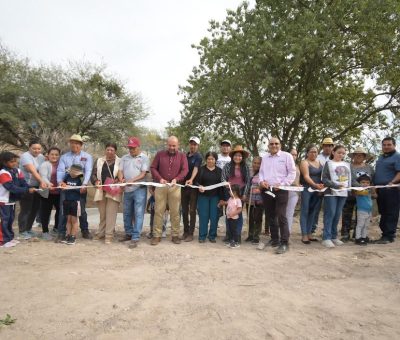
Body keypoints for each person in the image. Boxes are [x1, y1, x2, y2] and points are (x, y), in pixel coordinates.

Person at [258, 137, 296, 254]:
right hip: (267, 190)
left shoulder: (287, 156)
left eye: (276, 143)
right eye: (271, 144)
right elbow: (261, 173)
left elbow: (292, 172)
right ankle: (274, 239)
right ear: (268, 146)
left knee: (281, 215)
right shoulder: (265, 158)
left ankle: (284, 242)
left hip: (281, 190)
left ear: (280, 144)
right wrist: (261, 181)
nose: (274, 145)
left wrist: (283, 184)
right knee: (270, 215)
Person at [150, 136, 188, 245]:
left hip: (175, 187)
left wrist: (177, 179)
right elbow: (153, 168)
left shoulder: (182, 156)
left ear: (178, 145)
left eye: (174, 145)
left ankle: (175, 235)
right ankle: (156, 235)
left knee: (175, 212)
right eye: (170, 145)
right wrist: (159, 178)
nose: (172, 147)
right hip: (161, 186)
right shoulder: (160, 154)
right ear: (167, 144)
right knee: (158, 211)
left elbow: (185, 170)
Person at [55, 134, 93, 242]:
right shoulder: (64, 157)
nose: (74, 145)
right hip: (66, 188)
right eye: (72, 142)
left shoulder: (87, 157)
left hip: (80, 188)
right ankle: (62, 233)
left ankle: (85, 231)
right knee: (64, 210)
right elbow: (61, 170)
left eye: (76, 143)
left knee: (81, 210)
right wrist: (60, 182)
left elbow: (88, 171)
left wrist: (84, 184)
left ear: (81, 145)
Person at [119, 137, 149, 248]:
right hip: (127, 189)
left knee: (138, 212)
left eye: (133, 148)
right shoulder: (124, 158)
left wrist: (133, 180)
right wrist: (121, 179)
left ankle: (135, 237)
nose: (131, 150)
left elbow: (143, 173)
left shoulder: (144, 158)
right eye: (130, 148)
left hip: (139, 189)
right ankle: (128, 233)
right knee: (126, 212)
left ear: (138, 147)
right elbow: (120, 171)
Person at [0, 152, 34, 247]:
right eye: (12, 162)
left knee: (10, 219)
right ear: (4, 162)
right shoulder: (3, 173)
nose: (14, 163)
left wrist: (29, 188)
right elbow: (11, 187)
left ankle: (9, 238)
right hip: (3, 200)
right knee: (4, 220)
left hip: (12, 200)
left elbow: (23, 182)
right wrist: (27, 190)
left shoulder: (17, 171)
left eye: (15, 161)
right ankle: (2, 241)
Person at [341, 147, 375, 241]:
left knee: (360, 216)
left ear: (364, 157)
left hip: (364, 196)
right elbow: (347, 179)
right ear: (353, 156)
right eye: (356, 155)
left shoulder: (369, 168)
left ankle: (358, 235)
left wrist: (373, 192)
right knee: (347, 214)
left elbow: (372, 181)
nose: (359, 156)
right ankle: (345, 234)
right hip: (350, 194)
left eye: (361, 155)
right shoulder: (348, 166)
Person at [91, 143, 122, 244]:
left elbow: (122, 174)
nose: (109, 152)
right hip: (101, 190)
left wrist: (117, 180)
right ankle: (101, 232)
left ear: (115, 151)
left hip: (113, 190)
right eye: (108, 149)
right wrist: (96, 181)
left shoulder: (120, 161)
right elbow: (93, 174)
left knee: (111, 214)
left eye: (112, 150)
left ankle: (109, 235)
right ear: (105, 150)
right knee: (102, 214)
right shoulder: (99, 161)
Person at [321, 145, 351, 248]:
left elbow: (351, 179)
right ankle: (326, 238)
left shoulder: (347, 164)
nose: (341, 155)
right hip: (331, 192)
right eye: (339, 152)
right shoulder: (328, 163)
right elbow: (324, 179)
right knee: (330, 214)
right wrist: (335, 185)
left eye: (343, 153)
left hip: (343, 193)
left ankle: (334, 236)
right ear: (333, 152)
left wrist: (360, 186)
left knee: (337, 214)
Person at [221, 145, 251, 243]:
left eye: (240, 156)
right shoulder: (227, 166)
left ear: (242, 157)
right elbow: (223, 179)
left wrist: (245, 194)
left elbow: (248, 182)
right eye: (236, 155)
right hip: (229, 191)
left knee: (238, 213)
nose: (238, 157)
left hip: (241, 192)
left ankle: (237, 235)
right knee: (229, 212)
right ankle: (229, 235)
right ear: (232, 156)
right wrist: (227, 187)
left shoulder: (245, 167)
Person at [18, 140, 46, 239]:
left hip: (37, 187)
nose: (36, 150)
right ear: (29, 147)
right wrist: (42, 181)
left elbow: (44, 169)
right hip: (26, 186)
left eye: (38, 148)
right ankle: (22, 231)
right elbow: (33, 171)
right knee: (26, 209)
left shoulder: (41, 157)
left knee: (35, 208)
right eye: (34, 148)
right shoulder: (25, 156)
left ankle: (28, 229)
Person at [373, 137, 400, 244]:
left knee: (391, 212)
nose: (386, 147)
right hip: (380, 190)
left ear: (394, 145)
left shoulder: (397, 157)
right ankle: (384, 234)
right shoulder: (380, 158)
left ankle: (389, 236)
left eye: (389, 144)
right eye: (384, 145)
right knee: (383, 212)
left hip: (391, 189)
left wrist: (392, 182)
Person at [196, 151, 224, 243]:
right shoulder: (201, 169)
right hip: (203, 197)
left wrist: (221, 199)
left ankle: (212, 235)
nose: (210, 160)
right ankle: (202, 236)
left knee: (214, 217)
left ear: (215, 160)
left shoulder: (220, 171)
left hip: (215, 197)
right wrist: (199, 186)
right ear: (206, 159)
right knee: (203, 216)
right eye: (208, 159)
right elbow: (196, 182)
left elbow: (222, 186)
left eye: (212, 159)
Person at [299, 144, 324, 244]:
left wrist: (321, 186)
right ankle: (304, 235)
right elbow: (306, 176)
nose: (314, 153)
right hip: (307, 189)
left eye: (315, 152)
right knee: (305, 211)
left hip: (317, 191)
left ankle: (309, 233)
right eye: (311, 151)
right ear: (307, 153)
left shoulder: (320, 162)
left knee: (313, 211)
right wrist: (315, 185)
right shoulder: (304, 162)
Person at [181, 136, 202, 242]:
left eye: (195, 144)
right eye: (191, 144)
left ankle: (191, 233)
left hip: (193, 187)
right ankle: (185, 231)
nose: (193, 146)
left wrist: (191, 179)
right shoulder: (184, 156)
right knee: (184, 210)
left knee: (192, 210)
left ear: (198, 146)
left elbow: (196, 168)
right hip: (183, 186)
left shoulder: (198, 156)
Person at [312, 137, 335, 234]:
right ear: (322, 146)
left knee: (330, 210)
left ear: (332, 147)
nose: (327, 148)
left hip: (332, 187)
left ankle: (326, 230)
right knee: (315, 209)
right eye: (325, 145)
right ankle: (312, 229)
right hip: (319, 186)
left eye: (330, 146)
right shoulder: (317, 157)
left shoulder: (336, 158)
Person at [38, 147, 61, 240]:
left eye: (56, 154)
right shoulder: (44, 164)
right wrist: (48, 183)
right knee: (45, 213)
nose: (54, 156)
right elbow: (43, 176)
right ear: (48, 155)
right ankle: (45, 231)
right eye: (52, 154)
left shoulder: (61, 165)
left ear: (59, 156)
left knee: (60, 212)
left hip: (59, 193)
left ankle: (56, 228)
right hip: (47, 193)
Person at [60, 164, 84, 245]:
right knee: (68, 219)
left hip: (75, 202)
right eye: (71, 171)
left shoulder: (79, 179)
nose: (72, 174)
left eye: (75, 172)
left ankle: (73, 236)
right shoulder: (67, 176)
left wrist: (70, 187)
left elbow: (81, 191)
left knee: (74, 220)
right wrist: (63, 185)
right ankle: (68, 235)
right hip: (67, 201)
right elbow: (62, 183)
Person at [245, 156, 263, 244]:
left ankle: (256, 236)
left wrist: (260, 188)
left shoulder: (264, 172)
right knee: (250, 217)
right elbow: (247, 184)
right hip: (250, 198)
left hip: (259, 199)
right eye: (254, 163)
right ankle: (250, 235)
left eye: (258, 163)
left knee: (258, 218)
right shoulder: (249, 171)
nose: (256, 165)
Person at [354, 174, 373, 246]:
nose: (365, 184)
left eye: (367, 183)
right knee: (360, 225)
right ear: (359, 183)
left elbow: (373, 195)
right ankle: (358, 238)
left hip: (369, 211)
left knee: (366, 225)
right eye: (363, 182)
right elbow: (361, 192)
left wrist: (371, 190)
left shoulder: (368, 190)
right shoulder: (359, 191)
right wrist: (370, 190)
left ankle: (364, 237)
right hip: (362, 210)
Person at [285, 148, 301, 233]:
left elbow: (299, 179)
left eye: (295, 155)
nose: (294, 156)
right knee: (282, 213)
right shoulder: (283, 165)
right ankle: (280, 232)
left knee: (290, 213)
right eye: (292, 154)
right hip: (284, 191)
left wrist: (299, 184)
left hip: (295, 192)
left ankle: (288, 232)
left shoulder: (298, 166)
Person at [226, 184, 242, 248]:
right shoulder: (230, 198)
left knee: (234, 230)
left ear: (235, 192)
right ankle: (231, 241)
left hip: (234, 218)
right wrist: (222, 203)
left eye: (230, 191)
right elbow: (227, 203)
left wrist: (234, 213)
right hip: (229, 217)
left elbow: (240, 209)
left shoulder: (238, 200)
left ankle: (236, 242)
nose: (229, 192)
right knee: (229, 230)